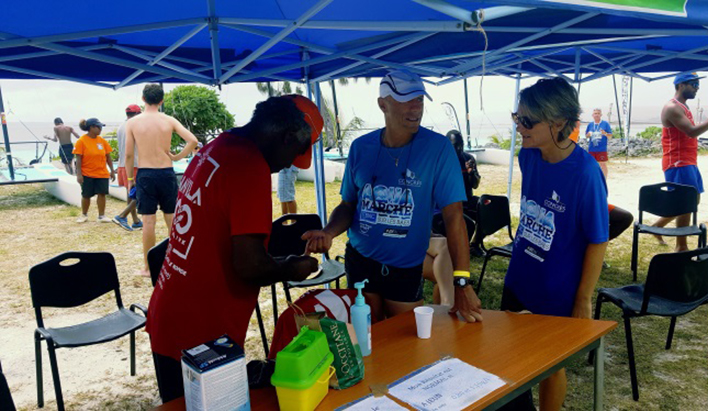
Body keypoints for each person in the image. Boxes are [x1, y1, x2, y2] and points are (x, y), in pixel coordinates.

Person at [146, 95, 322, 403]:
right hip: (201, 331)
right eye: (292, 154)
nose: (285, 166)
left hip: (172, 316)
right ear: (287, 137)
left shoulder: (218, 146)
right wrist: (292, 267)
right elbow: (249, 266)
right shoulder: (249, 165)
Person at [303, 70, 482, 324]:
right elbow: (348, 205)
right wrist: (329, 232)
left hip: (406, 266)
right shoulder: (361, 147)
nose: (415, 107)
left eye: (419, 98)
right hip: (361, 260)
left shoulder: (437, 148)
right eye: (406, 99)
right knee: (367, 339)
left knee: (408, 345)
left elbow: (454, 217)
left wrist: (462, 281)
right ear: (382, 104)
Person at [501, 77, 608, 411]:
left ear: (559, 123)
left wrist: (583, 299)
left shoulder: (585, 173)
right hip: (519, 278)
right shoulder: (528, 157)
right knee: (512, 354)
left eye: (528, 121)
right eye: (517, 117)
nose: (520, 127)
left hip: (556, 290)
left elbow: (597, 240)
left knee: (551, 366)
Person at [125, 84, 198, 277]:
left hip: (146, 174)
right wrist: (176, 157)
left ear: (143, 99)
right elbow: (192, 140)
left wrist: (131, 178)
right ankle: (177, 261)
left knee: (148, 221)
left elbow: (129, 155)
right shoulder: (169, 120)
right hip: (166, 172)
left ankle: (149, 268)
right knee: (172, 219)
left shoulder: (133, 123)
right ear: (161, 100)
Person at [652, 72, 708, 251]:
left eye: (698, 84)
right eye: (693, 84)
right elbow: (692, 131)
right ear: (681, 85)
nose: (697, 87)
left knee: (693, 199)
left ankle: (658, 226)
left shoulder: (682, 106)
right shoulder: (672, 107)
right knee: (685, 201)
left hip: (688, 161)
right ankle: (681, 246)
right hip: (678, 162)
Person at [445, 129, 484, 256]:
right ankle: (458, 248)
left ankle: (475, 245)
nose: (457, 148)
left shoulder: (468, 158)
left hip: (467, 199)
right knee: (466, 222)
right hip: (449, 202)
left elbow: (475, 185)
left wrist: (471, 173)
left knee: (486, 208)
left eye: (459, 144)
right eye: (453, 145)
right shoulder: (442, 160)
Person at [72, 118, 116, 223]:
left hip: (102, 173)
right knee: (86, 195)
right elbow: (78, 159)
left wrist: (112, 170)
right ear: (91, 127)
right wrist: (79, 174)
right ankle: (84, 214)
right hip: (87, 173)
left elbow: (108, 157)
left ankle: (101, 215)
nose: (100, 129)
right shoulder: (81, 141)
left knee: (102, 194)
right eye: (98, 127)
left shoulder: (102, 141)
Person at [112, 104, 143, 231]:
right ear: (137, 114)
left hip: (122, 164)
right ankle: (122, 215)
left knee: (130, 194)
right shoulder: (135, 125)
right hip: (134, 163)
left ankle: (135, 221)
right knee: (143, 192)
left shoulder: (121, 126)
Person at [585, 108, 612, 178]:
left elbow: (610, 136)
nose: (596, 115)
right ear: (592, 115)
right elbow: (586, 136)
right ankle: (593, 179)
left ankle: (604, 180)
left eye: (598, 113)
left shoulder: (605, 124)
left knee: (603, 165)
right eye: (595, 114)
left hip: (602, 148)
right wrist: (589, 134)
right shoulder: (590, 124)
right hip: (592, 148)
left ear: (601, 115)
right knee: (591, 165)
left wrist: (605, 133)